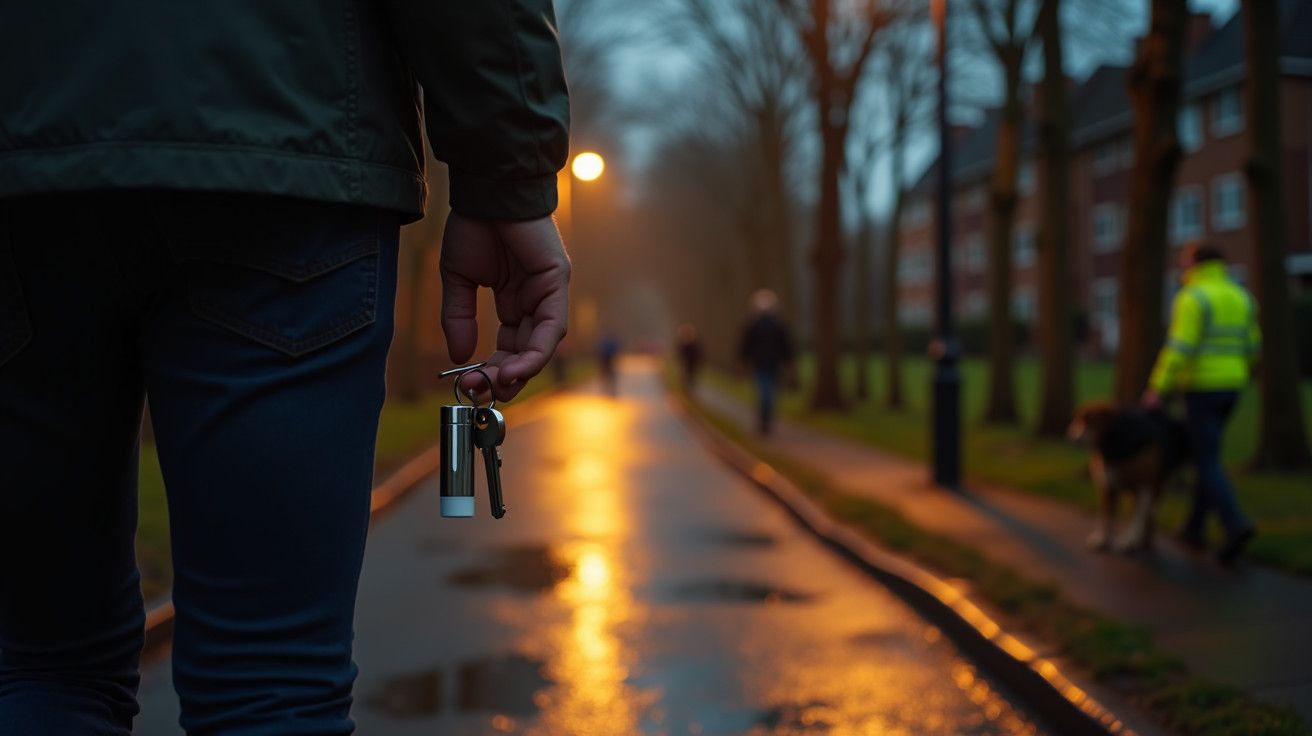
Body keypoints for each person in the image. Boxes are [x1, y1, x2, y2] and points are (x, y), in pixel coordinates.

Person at [0, 3, 570, 734]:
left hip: (25, 153)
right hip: (286, 137)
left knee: (41, 662)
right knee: (270, 680)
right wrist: (509, 173)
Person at [1143, 243, 1260, 565]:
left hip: (1201, 389)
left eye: (1185, 263)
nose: (1183, 269)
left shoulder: (1192, 297)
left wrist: (1157, 387)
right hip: (1233, 386)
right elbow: (1253, 344)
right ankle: (1194, 528)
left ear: (1195, 263)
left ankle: (1234, 524)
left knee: (1205, 459)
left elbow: (1180, 347)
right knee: (1205, 454)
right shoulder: (1241, 296)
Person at [738, 290, 794, 436]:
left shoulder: (755, 324)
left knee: (765, 394)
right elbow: (786, 345)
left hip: (764, 364)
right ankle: (765, 422)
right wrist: (789, 361)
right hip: (770, 364)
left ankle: (764, 422)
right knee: (768, 394)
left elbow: (746, 345)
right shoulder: (776, 324)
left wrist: (743, 359)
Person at [675, 324, 704, 391]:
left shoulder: (695, 345)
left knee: (691, 378)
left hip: (692, 364)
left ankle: (690, 390)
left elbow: (699, 355)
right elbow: (679, 354)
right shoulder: (682, 344)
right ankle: (686, 390)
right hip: (685, 364)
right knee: (685, 377)